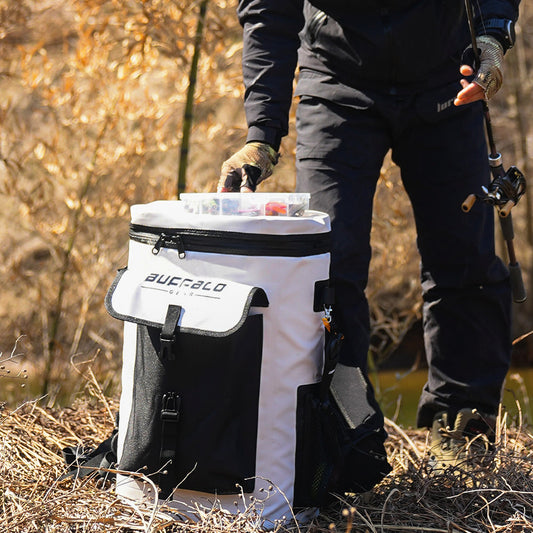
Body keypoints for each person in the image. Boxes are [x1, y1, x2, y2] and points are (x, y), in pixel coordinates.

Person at [218, 0, 520, 484]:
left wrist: (492, 35)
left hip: (448, 77)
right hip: (336, 82)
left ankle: (462, 430)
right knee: (328, 268)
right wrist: (263, 134)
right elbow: (268, 11)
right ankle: (348, 436)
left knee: (465, 258)